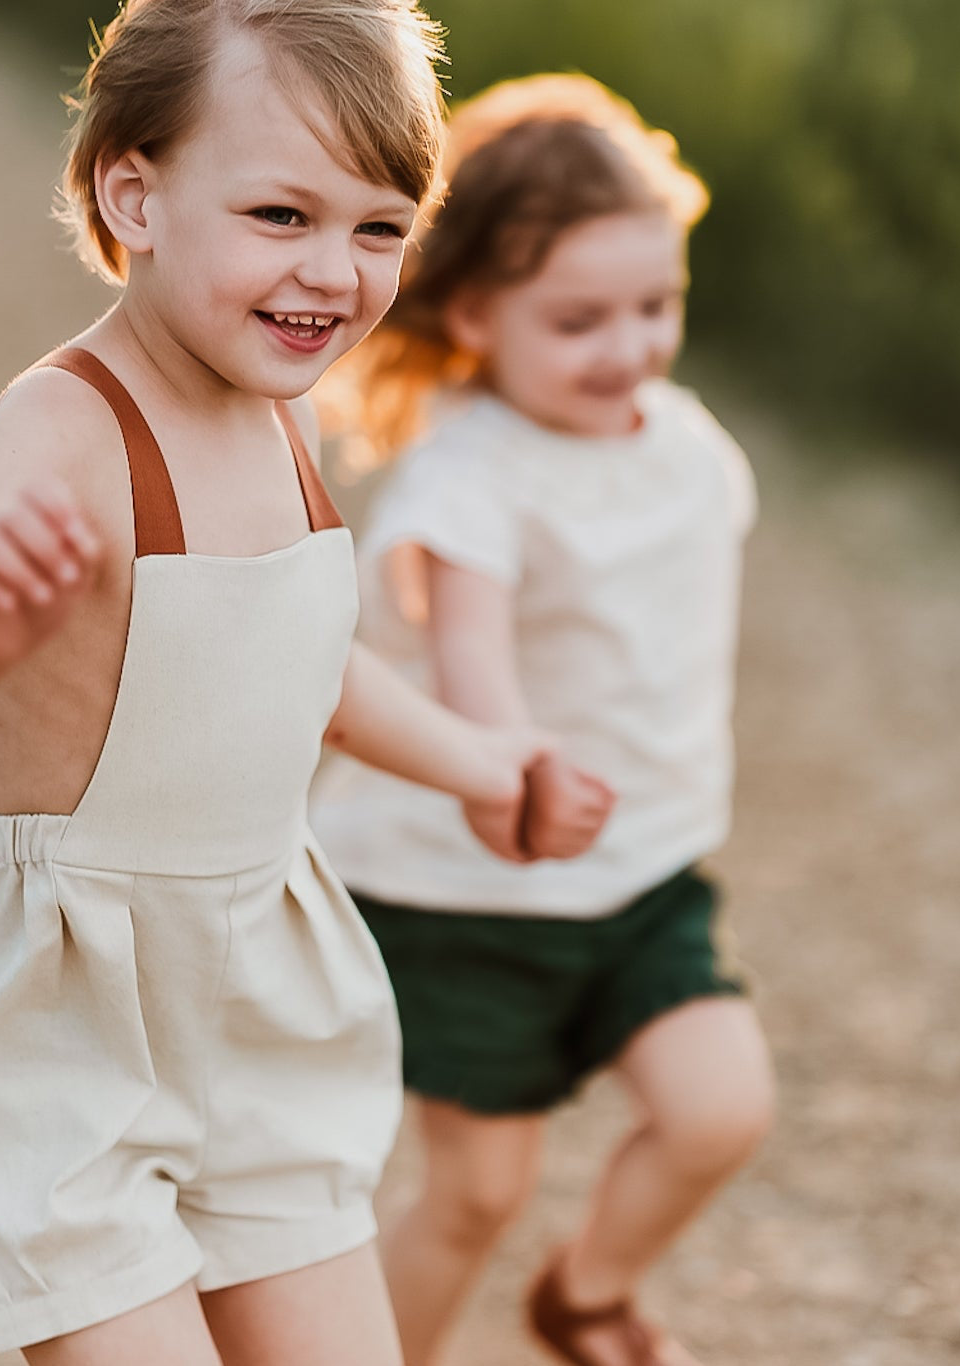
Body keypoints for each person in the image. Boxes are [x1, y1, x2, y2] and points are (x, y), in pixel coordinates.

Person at [0, 9, 610, 1363]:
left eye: (379, 227)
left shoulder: (283, 418)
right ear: (131, 192)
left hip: (256, 999)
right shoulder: (69, 421)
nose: (331, 271)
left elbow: (302, 667)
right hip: (66, 1024)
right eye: (278, 214)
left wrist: (484, 764)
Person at [311, 73, 777, 1366]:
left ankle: (584, 1293)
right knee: (473, 1193)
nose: (626, 345)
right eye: (578, 319)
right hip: (466, 892)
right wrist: (508, 774)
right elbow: (471, 663)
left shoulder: (685, 444)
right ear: (472, 315)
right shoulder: (469, 477)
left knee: (718, 1108)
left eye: (653, 305)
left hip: (638, 873)